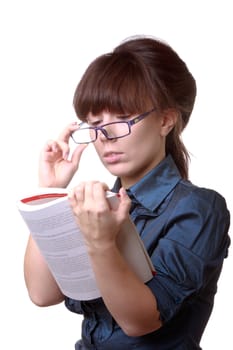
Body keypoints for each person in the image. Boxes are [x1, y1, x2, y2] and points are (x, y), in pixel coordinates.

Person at [24, 35, 230, 350]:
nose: (105, 136)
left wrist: (101, 242)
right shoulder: (97, 206)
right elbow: (42, 293)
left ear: (165, 120)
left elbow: (141, 321)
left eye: (122, 119)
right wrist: (50, 193)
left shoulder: (199, 208)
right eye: (94, 123)